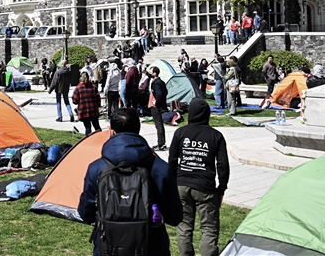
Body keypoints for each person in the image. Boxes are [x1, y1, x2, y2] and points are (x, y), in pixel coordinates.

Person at [77, 108, 183, 256]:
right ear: (138, 129)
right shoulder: (161, 168)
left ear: (112, 131)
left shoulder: (96, 168)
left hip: (108, 246)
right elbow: (175, 217)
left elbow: (85, 214)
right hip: (151, 247)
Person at [168, 98, 230, 256]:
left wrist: (174, 182)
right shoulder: (216, 136)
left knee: (183, 228)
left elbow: (172, 160)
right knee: (209, 229)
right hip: (205, 188)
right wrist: (221, 189)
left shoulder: (180, 132)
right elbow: (222, 165)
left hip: (182, 185)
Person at [148, 66, 169, 151]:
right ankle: (162, 143)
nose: (149, 73)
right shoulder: (161, 82)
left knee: (158, 125)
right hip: (158, 106)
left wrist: (156, 103)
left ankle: (160, 144)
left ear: (154, 73)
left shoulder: (156, 83)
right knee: (160, 125)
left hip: (155, 106)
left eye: (151, 72)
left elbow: (159, 94)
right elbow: (166, 91)